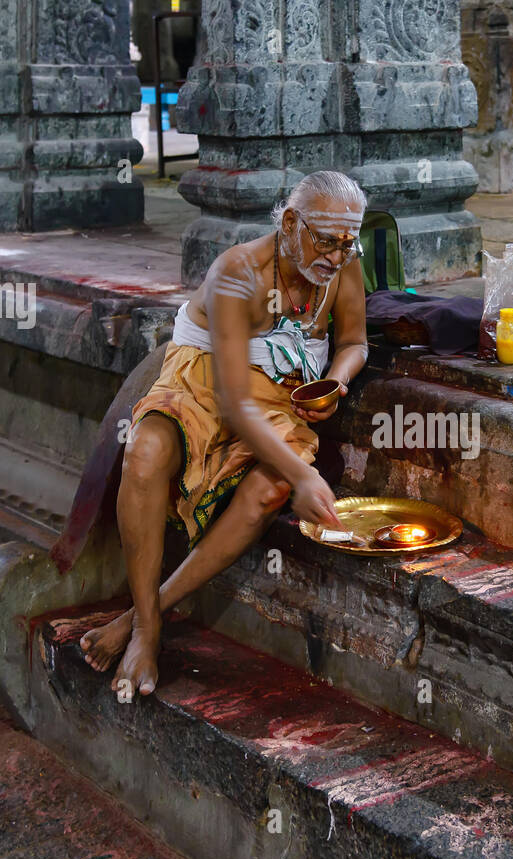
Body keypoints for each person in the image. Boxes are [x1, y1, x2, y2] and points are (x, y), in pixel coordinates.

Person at [79, 170, 369, 696]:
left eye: (348, 243)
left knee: (271, 487)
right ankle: (148, 627)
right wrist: (305, 473)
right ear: (289, 223)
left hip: (282, 398)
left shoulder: (343, 267)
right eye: (326, 240)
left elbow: (355, 341)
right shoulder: (238, 271)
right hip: (208, 382)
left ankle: (144, 616)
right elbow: (235, 405)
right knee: (144, 452)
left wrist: (335, 379)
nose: (337, 255)